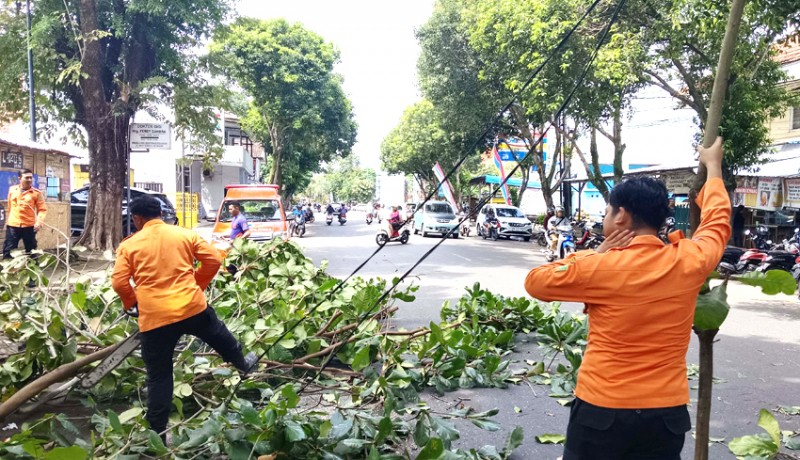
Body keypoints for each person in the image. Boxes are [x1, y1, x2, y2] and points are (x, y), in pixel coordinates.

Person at [524, 137, 730, 460]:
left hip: (601, 411)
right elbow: (716, 225)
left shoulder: (600, 267)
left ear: (621, 216)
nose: (605, 218)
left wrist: (595, 253)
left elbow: (536, 282)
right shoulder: (688, 261)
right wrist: (714, 168)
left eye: (607, 211)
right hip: (664, 417)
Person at [111, 195, 257, 442]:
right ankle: (243, 364)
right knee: (220, 335)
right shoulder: (184, 234)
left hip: (155, 318)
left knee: (159, 376)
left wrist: (131, 303)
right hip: (191, 307)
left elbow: (119, 282)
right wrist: (197, 285)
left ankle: (157, 434)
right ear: (159, 213)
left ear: (137, 219)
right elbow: (213, 260)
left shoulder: (129, 245)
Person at [4, 169, 47, 261]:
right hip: (13, 226)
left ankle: (33, 274)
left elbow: (42, 210)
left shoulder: (37, 193)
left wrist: (39, 222)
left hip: (29, 226)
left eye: (31, 178)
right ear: (20, 178)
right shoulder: (12, 190)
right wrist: (9, 221)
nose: (29, 180)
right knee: (8, 251)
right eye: (26, 177)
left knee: (31, 252)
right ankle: (7, 273)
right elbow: (10, 206)